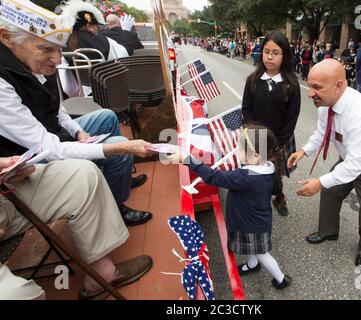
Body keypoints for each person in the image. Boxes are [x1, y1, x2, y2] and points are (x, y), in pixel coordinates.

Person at [0, 0, 153, 226]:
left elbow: (59, 112)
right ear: (7, 38)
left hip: (52, 136)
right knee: (119, 145)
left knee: (107, 116)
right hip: (28, 160)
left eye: (60, 49)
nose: (58, 60)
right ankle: (116, 207)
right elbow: (47, 148)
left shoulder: (35, 63)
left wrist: (79, 132)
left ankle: (118, 179)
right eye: (46, 49)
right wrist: (120, 147)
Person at [288, 59, 361, 267]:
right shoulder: (326, 103)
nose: (309, 93)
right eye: (310, 86)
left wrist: (319, 182)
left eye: (316, 87)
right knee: (331, 191)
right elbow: (323, 132)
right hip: (352, 159)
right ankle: (329, 231)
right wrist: (303, 151)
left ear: (339, 85)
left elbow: (354, 167)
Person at [0, 157, 152, 300]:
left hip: (5, 191)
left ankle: (102, 275)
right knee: (20, 294)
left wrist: (7, 164)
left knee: (83, 175)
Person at [169, 125, 293, 290]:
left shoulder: (245, 177)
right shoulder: (268, 167)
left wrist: (188, 159)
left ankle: (281, 279)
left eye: (240, 149)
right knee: (255, 250)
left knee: (263, 254)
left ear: (256, 156)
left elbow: (214, 177)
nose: (236, 151)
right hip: (257, 220)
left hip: (250, 224)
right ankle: (252, 264)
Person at [242, 30, 301, 216]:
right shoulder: (252, 80)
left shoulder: (291, 84)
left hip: (279, 140)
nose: (269, 57)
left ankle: (279, 198)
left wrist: (278, 143)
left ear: (285, 55)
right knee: (255, 174)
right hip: (254, 138)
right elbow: (246, 109)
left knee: (275, 175)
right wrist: (254, 135)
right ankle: (258, 203)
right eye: (266, 51)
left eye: (276, 53)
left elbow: (292, 117)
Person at [61, 0, 128, 61]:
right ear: (89, 26)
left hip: (76, 74)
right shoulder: (101, 41)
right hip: (101, 73)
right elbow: (122, 55)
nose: (98, 28)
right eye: (97, 26)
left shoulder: (65, 42)